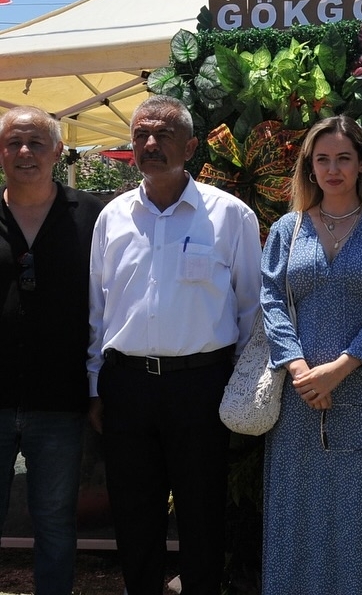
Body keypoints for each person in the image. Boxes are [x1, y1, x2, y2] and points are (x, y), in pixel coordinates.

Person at [87, 94, 261, 595]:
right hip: (127, 387)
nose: (150, 143)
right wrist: (96, 385)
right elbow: (98, 308)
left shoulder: (230, 216)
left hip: (201, 387)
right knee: (133, 512)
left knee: (202, 513)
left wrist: (239, 387)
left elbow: (251, 308)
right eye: (141, 133)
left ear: (190, 146)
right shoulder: (112, 217)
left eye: (163, 134)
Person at [260, 116, 362, 594]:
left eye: (344, 158)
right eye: (322, 159)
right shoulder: (287, 229)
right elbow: (271, 301)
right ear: (310, 167)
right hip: (300, 398)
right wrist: (300, 369)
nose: (333, 169)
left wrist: (341, 368)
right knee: (297, 510)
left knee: (361, 514)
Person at [0, 106, 103, 595]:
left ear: (58, 151)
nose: (25, 152)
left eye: (36, 142)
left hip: (61, 401)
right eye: (13, 143)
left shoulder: (93, 217)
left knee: (56, 526)